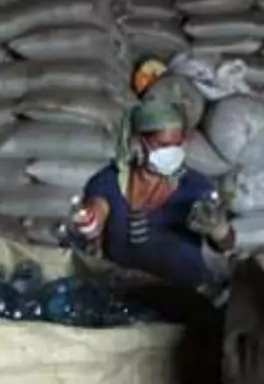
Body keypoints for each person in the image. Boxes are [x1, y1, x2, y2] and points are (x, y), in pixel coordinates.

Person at [70, 101, 234, 290]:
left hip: (183, 296)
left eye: (177, 145)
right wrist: (89, 222)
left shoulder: (195, 186)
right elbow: (97, 209)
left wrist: (219, 229)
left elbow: (227, 244)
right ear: (138, 143)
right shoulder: (109, 181)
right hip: (126, 293)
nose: (172, 153)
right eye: (163, 145)